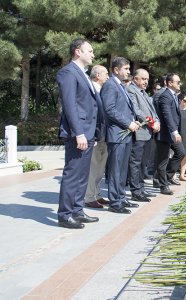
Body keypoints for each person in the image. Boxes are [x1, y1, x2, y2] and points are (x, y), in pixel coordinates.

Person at [56, 38, 99, 229]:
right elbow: (70, 105)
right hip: (78, 134)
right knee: (73, 174)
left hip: (88, 133)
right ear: (77, 52)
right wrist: (78, 133)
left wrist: (93, 133)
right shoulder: (68, 72)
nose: (93, 54)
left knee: (83, 175)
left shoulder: (83, 74)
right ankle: (65, 215)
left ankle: (77, 210)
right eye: (89, 51)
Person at [102, 57, 140, 214]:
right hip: (117, 134)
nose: (128, 71)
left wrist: (133, 122)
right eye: (125, 68)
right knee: (115, 170)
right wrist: (128, 123)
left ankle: (121, 197)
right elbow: (109, 109)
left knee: (123, 170)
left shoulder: (121, 86)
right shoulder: (110, 85)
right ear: (116, 70)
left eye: (129, 68)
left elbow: (125, 109)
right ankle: (115, 202)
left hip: (125, 134)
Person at [127, 69, 161, 202]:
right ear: (135, 79)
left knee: (143, 163)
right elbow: (137, 111)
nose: (146, 82)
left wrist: (156, 120)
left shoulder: (144, 93)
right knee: (136, 162)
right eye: (143, 79)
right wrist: (152, 123)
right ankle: (136, 190)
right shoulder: (131, 90)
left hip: (148, 133)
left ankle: (141, 188)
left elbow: (153, 111)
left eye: (147, 79)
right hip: (140, 132)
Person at [154, 73, 185, 195]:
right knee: (163, 160)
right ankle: (163, 185)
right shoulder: (165, 96)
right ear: (170, 83)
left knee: (181, 152)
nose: (180, 84)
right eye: (178, 82)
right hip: (165, 134)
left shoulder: (174, 96)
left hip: (171, 134)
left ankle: (165, 177)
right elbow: (167, 115)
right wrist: (174, 131)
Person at [84, 65, 110, 209]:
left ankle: (97, 194)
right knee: (93, 167)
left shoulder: (103, 91)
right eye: (106, 73)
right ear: (98, 75)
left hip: (104, 135)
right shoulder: (90, 90)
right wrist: (92, 134)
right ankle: (89, 198)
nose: (108, 76)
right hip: (94, 135)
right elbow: (90, 115)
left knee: (100, 168)